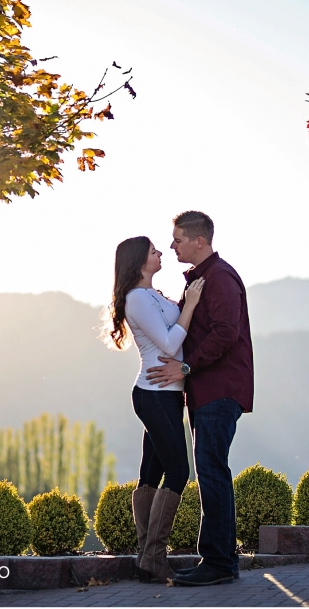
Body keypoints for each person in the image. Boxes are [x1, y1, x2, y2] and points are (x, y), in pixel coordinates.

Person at [146, 210, 254, 587]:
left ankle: (219, 563)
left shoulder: (220, 279)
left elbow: (226, 334)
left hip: (219, 389)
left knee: (211, 471)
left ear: (199, 241)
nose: (172, 246)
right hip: (208, 390)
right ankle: (221, 561)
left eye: (177, 239)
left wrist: (186, 367)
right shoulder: (202, 279)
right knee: (212, 470)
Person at [106, 236, 205, 583]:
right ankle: (154, 556)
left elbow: (172, 337)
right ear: (138, 261)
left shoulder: (152, 296)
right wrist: (190, 304)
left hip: (166, 395)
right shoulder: (136, 299)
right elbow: (167, 344)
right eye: (153, 251)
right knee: (178, 472)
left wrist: (181, 302)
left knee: (151, 474)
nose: (161, 253)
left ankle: (145, 560)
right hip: (154, 394)